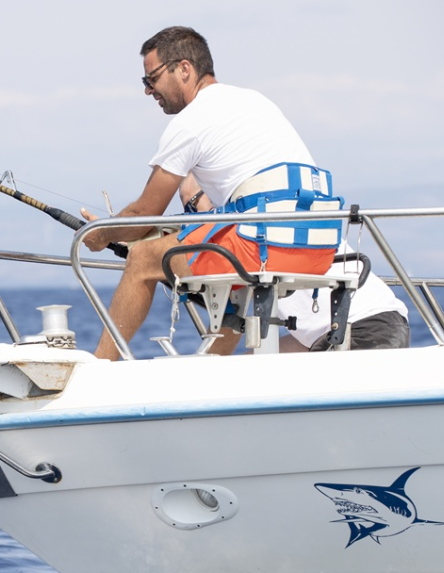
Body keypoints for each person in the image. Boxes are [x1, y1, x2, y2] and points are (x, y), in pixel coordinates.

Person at [81, 26, 345, 360]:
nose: (148, 91)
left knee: (144, 259)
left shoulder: (190, 121)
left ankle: (99, 368)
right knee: (226, 261)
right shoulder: (254, 100)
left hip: (265, 245)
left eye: (152, 79)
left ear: (184, 69)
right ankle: (212, 365)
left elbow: (143, 214)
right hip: (318, 246)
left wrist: (101, 234)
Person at [177, 174, 410, 352]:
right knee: (250, 370)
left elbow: (227, 327)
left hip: (360, 329)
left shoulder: (245, 233)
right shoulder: (269, 217)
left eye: (192, 203)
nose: (191, 216)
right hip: (371, 324)